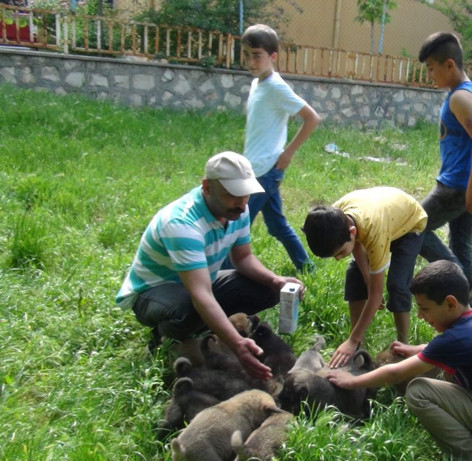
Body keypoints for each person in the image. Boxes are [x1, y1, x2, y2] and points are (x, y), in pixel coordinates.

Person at [116, 152, 305, 380]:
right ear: (207, 187)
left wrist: (275, 280)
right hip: (153, 293)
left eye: (245, 194)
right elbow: (201, 294)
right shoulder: (182, 224)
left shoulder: (237, 211)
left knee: (267, 289)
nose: (242, 202)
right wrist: (236, 345)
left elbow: (243, 258)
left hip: (200, 283)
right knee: (189, 307)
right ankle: (164, 338)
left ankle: (206, 325)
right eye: (232, 195)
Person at [328, 260, 472, 461]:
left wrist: (351, 381)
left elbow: (396, 373)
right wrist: (414, 349)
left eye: (425, 308)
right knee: (441, 370)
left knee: (419, 391)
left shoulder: (457, 338)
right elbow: (443, 349)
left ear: (450, 303)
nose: (420, 316)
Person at [302, 187, 427, 368]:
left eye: (341, 252)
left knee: (397, 284)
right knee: (355, 274)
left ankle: (403, 347)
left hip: (410, 223)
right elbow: (358, 245)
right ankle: (359, 344)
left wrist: (352, 339)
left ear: (351, 232)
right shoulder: (334, 218)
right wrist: (368, 280)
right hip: (382, 214)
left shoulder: (373, 231)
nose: (338, 258)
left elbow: (375, 296)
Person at [416, 32, 472, 306]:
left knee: (412, 227)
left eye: (432, 69)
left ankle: (456, 281)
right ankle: (467, 299)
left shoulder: (459, 98)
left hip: (459, 186)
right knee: (461, 241)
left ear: (450, 64)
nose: (430, 76)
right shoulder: (466, 90)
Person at [236, 24, 320, 273]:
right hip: (255, 167)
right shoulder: (257, 84)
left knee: (237, 226)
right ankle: (308, 268)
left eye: (257, 55)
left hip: (267, 169)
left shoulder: (275, 87)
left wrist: (288, 153)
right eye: (247, 55)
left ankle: (222, 275)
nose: (251, 61)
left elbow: (311, 118)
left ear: (273, 56)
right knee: (276, 225)